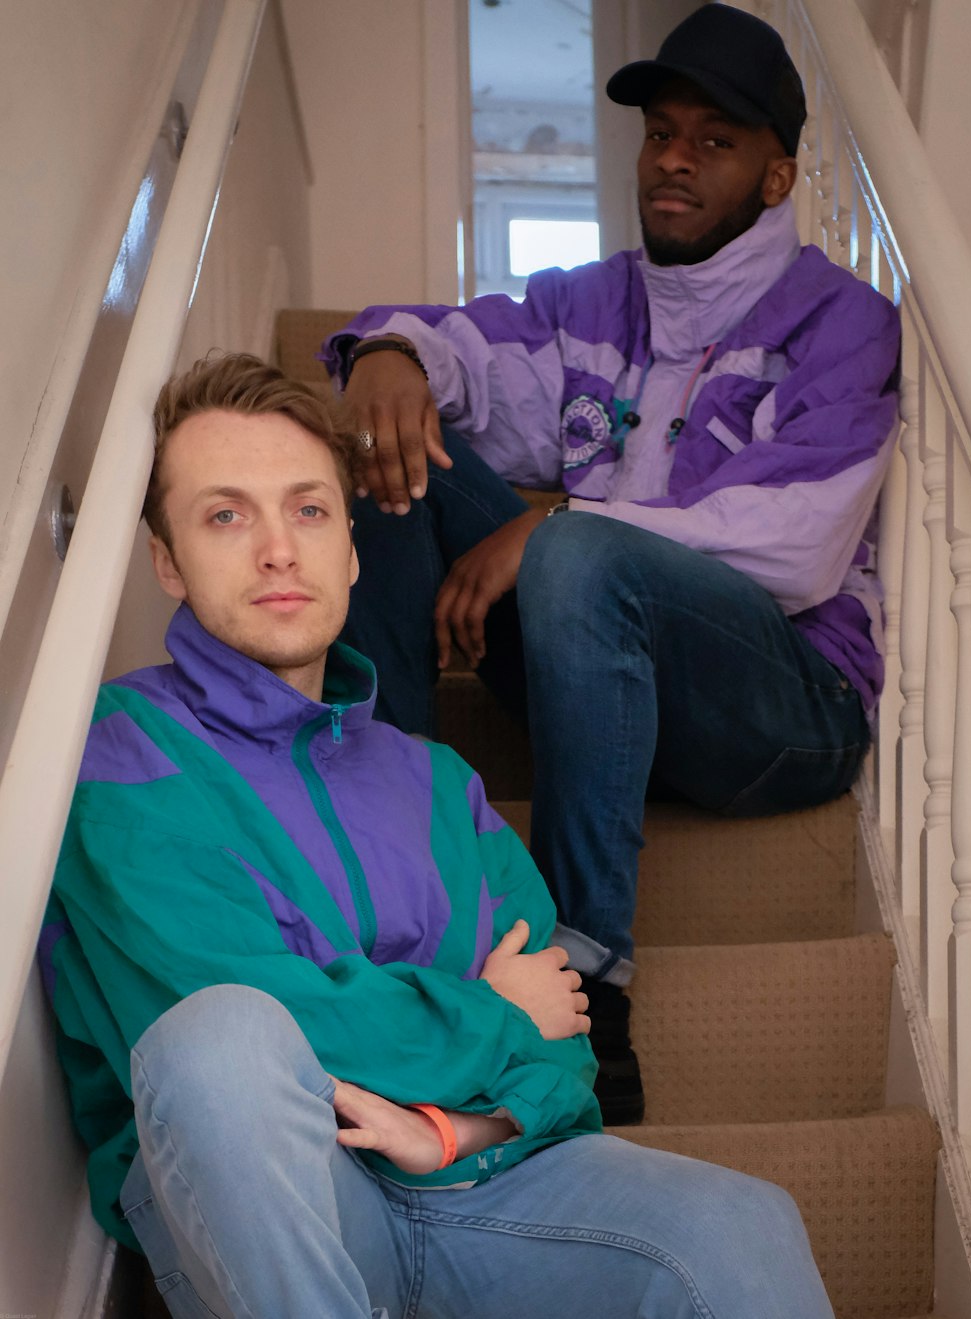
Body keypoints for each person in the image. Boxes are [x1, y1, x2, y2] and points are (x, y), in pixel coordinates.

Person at [41, 352, 834, 1318]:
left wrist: (453, 1126)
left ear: (351, 547)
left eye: (308, 509)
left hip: (477, 1174)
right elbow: (238, 1043)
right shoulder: (116, 756)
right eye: (225, 514)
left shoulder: (439, 780)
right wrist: (490, 1011)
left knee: (741, 1222)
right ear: (166, 557)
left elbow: (565, 1052)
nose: (278, 549)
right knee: (220, 1041)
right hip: (293, 1211)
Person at [319, 4, 902, 1124]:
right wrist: (391, 355)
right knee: (402, 456)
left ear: (777, 179)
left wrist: (554, 524)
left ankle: (588, 971)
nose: (674, 159)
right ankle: (396, 866)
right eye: (660, 132)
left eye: (714, 140)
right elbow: (471, 356)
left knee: (581, 543)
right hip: (602, 683)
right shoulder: (596, 301)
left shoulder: (843, 321)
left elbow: (799, 541)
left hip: (782, 707)